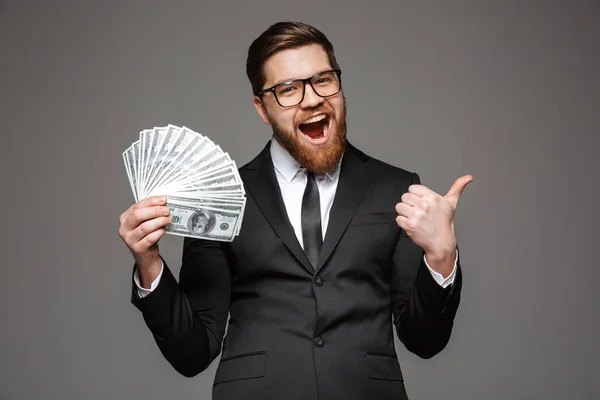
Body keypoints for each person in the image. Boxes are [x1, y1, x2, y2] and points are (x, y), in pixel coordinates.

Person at [118, 21, 472, 400]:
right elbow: (192, 353)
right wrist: (149, 263)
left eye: (323, 79)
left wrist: (441, 256)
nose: (312, 99)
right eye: (288, 89)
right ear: (262, 108)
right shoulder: (219, 200)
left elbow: (424, 341)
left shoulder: (396, 188)